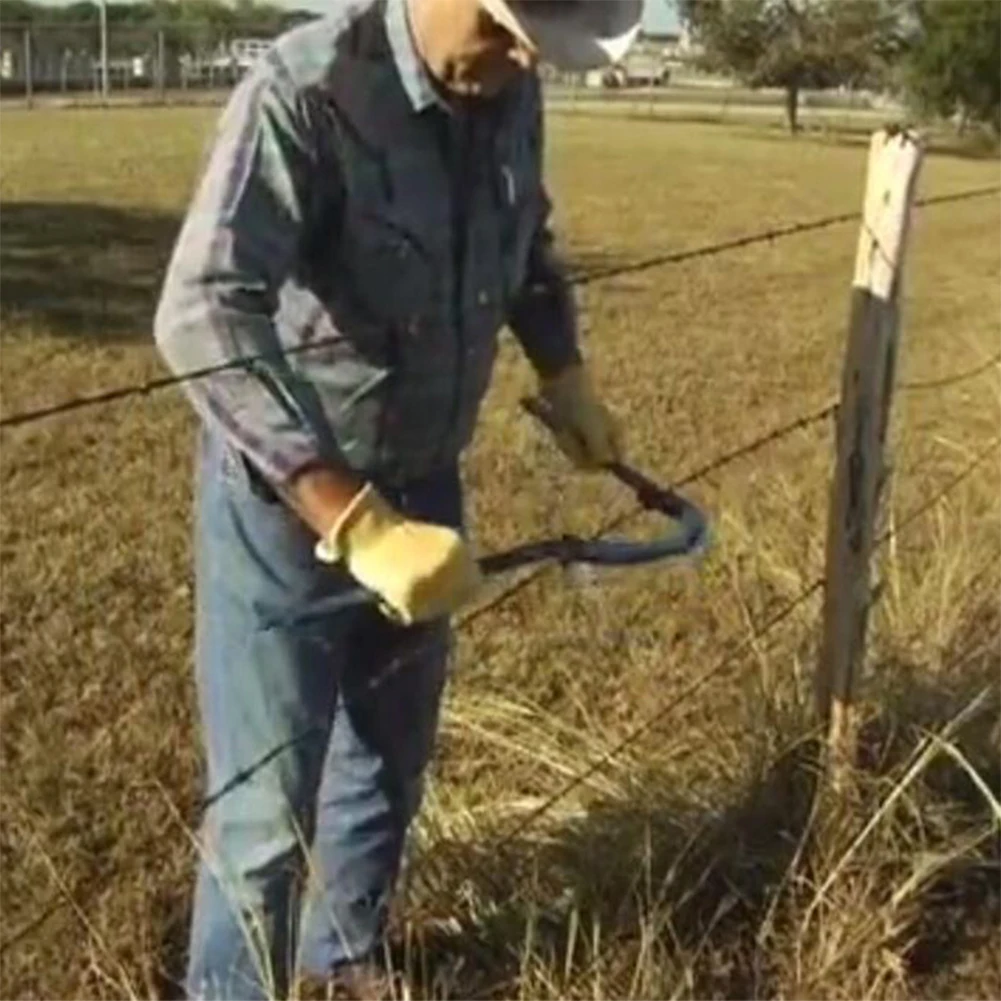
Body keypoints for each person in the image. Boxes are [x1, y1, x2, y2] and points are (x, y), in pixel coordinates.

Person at [154, 0, 641, 997]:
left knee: (386, 763)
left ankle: (342, 963)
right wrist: (348, 514)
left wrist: (565, 371)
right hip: (285, 510)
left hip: (426, 484)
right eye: (508, 31)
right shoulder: (308, 89)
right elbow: (201, 309)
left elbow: (526, 241)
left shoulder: (510, 91)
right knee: (260, 817)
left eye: (536, 45)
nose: (521, 59)